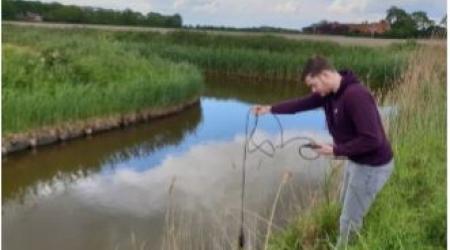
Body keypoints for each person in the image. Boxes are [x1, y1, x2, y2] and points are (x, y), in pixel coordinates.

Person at [251, 56, 394, 248]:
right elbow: (300, 105)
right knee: (344, 205)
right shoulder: (329, 94)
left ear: (325, 75)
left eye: (313, 84)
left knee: (349, 220)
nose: (313, 90)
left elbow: (372, 139)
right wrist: (269, 109)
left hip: (372, 166)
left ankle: (346, 246)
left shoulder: (355, 96)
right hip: (357, 161)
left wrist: (336, 150)